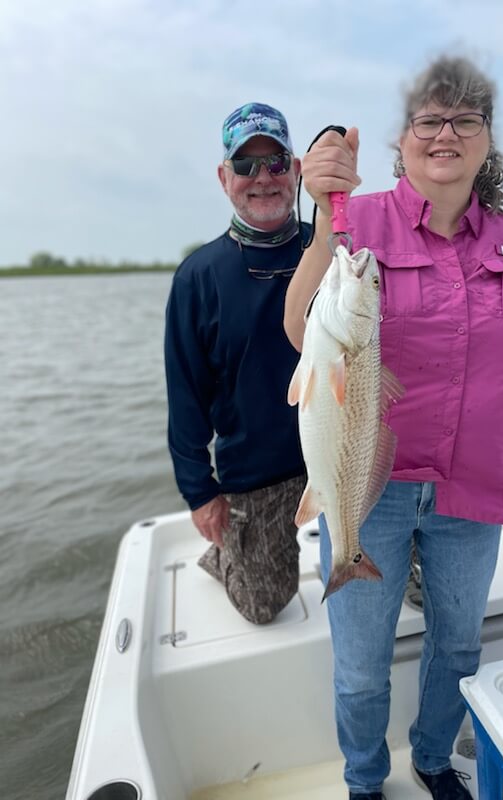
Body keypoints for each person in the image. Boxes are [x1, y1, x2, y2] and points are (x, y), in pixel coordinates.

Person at [284, 56, 503, 800]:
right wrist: (326, 207)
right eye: (429, 120)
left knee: (458, 644)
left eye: (465, 119)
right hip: (374, 480)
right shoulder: (354, 221)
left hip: (474, 483)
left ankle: (433, 760)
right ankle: (366, 781)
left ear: (487, 140)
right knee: (362, 662)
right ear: (401, 141)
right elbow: (303, 327)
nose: (446, 133)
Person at [164, 102, 310, 625]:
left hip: (343, 454)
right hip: (256, 471)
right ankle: (228, 551)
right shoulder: (198, 277)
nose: (262, 178)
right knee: (263, 607)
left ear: (297, 170)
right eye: (245, 166)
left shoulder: (337, 251)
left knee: (399, 589)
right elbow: (185, 397)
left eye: (275, 162)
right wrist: (200, 492)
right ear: (224, 177)